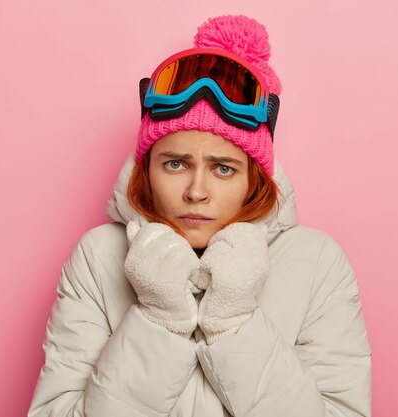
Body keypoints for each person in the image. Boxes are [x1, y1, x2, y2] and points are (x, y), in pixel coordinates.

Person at [28, 15, 371, 417]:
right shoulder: (97, 256)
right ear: (147, 168)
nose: (196, 191)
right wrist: (159, 319)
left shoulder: (317, 262)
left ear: (253, 179)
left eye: (223, 168)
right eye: (175, 164)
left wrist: (234, 321)